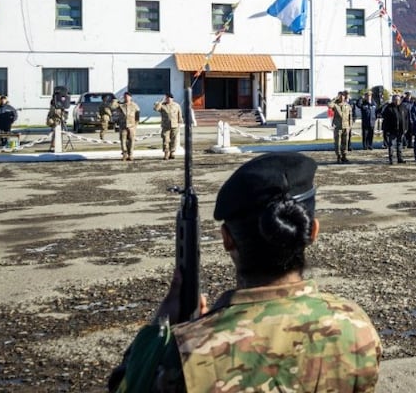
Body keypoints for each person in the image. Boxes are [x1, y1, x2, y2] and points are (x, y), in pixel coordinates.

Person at [107, 152, 381, 392]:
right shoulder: (356, 326)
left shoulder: (185, 352)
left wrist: (158, 331)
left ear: (227, 239)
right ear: (313, 232)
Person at [380, 93, 408, 164]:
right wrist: (387, 130)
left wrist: (406, 128)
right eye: (395, 100)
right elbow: (385, 120)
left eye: (398, 100)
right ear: (393, 100)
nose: (397, 101)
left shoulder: (403, 107)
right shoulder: (389, 108)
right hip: (392, 130)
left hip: (401, 130)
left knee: (400, 144)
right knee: (391, 145)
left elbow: (406, 118)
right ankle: (391, 159)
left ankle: (400, 158)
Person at [153, 93, 182, 160]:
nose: (168, 99)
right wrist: (161, 101)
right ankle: (166, 153)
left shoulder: (176, 105)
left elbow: (179, 114)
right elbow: (156, 109)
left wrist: (180, 122)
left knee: (174, 140)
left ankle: (172, 152)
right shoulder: (162, 105)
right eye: (167, 98)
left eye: (170, 98)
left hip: (175, 125)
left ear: (172, 98)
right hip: (166, 126)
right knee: (165, 140)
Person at [118, 92, 141, 162]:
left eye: (127, 96)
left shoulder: (134, 105)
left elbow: (137, 115)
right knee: (123, 141)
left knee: (131, 141)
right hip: (123, 125)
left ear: (130, 97)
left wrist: (136, 124)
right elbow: (112, 107)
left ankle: (130, 154)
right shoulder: (121, 105)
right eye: (125, 97)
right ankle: (125, 154)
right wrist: (118, 100)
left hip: (131, 126)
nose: (126, 98)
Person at [331, 90, 352, 164]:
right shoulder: (335, 105)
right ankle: (338, 156)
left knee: (345, 142)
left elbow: (350, 116)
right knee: (338, 143)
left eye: (343, 96)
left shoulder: (347, 105)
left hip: (346, 126)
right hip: (338, 126)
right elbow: (329, 105)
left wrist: (350, 126)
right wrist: (335, 98)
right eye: (340, 96)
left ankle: (344, 156)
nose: (342, 97)